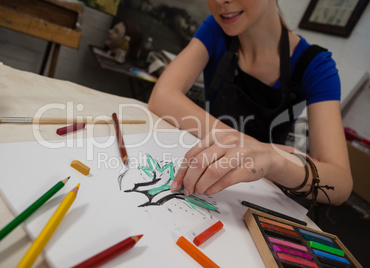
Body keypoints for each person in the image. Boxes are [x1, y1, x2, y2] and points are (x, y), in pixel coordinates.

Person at [148, 0, 352, 208]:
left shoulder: (315, 66)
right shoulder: (215, 30)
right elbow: (162, 95)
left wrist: (272, 159)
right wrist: (236, 142)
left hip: (256, 191)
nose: (220, 1)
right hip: (204, 166)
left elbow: (340, 183)